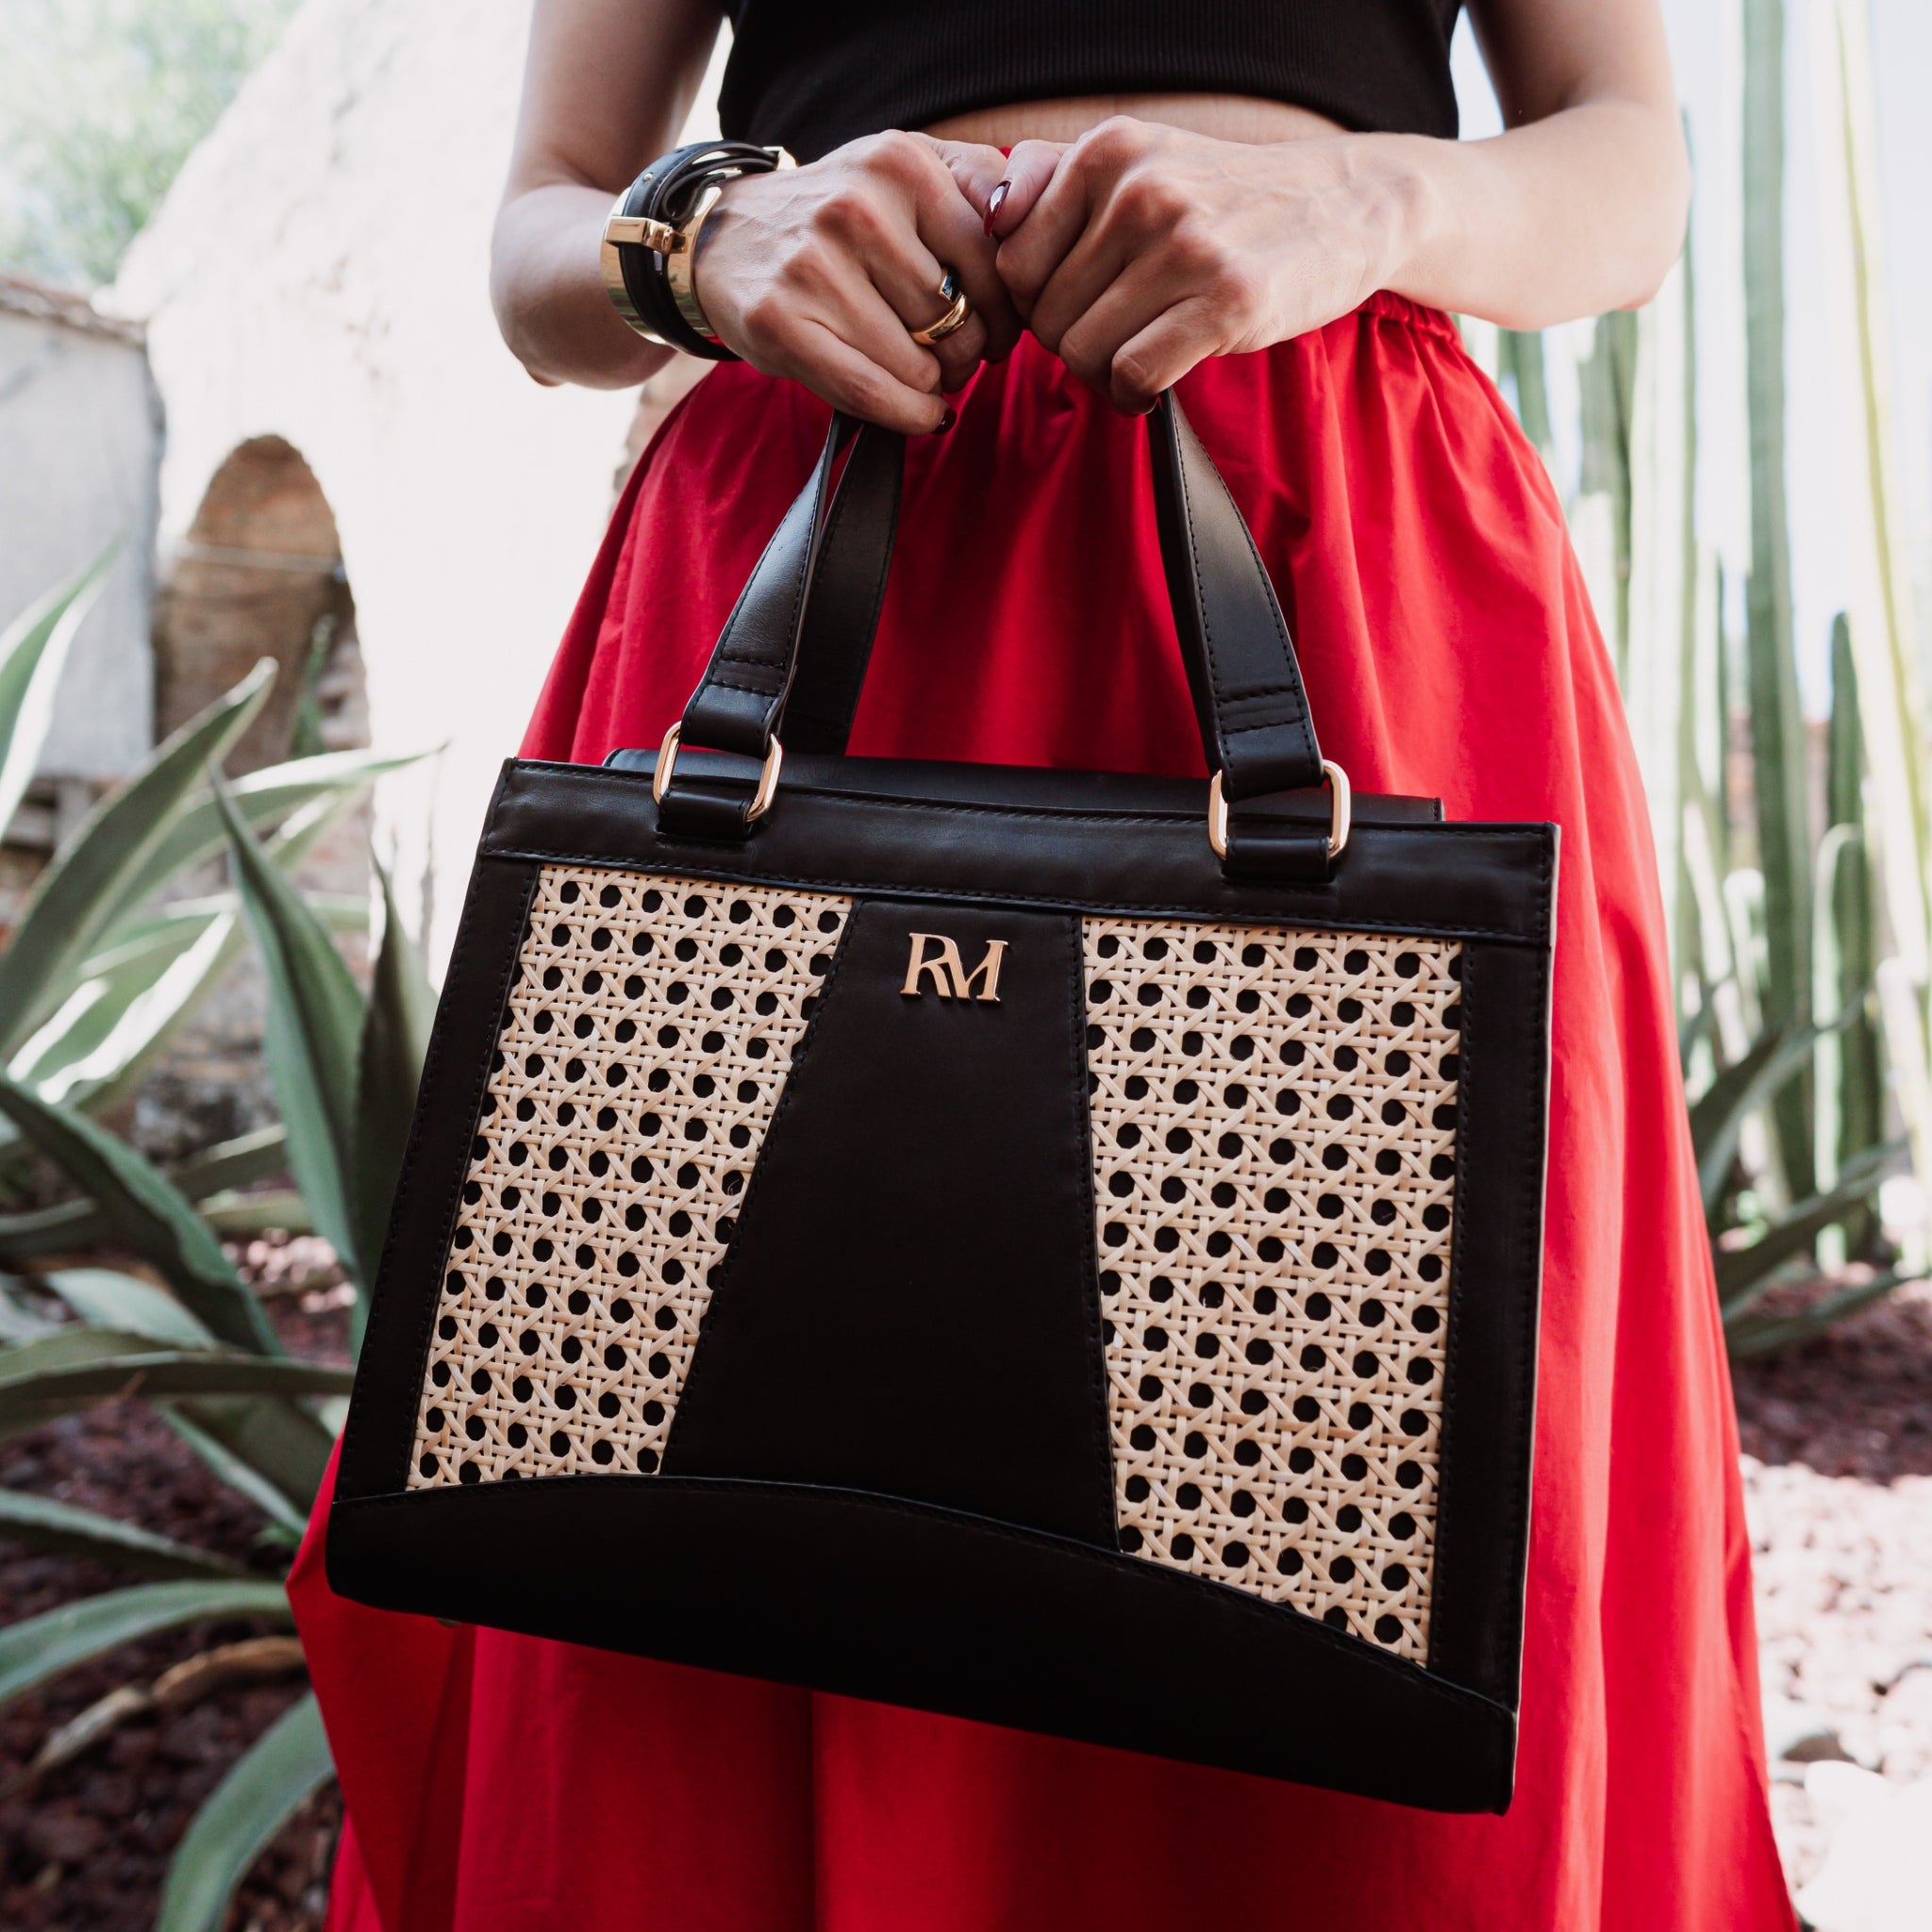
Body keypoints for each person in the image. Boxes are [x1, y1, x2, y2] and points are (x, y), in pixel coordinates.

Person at [288, 2, 1797, 1926]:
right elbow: (542, 253)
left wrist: (1361, 197)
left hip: (1328, 556)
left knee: (1378, 1534)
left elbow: (1628, 172)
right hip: (828, 556)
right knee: (684, 1529)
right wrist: (707, 235)